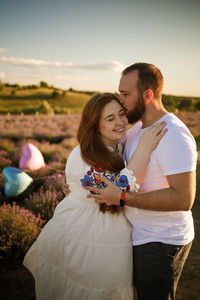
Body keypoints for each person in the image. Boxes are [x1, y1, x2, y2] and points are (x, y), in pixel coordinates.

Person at [23, 92, 166, 300]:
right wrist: (144, 149)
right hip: (85, 236)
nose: (120, 122)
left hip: (111, 234)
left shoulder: (116, 145)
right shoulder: (81, 157)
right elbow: (119, 189)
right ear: (94, 125)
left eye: (121, 114)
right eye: (110, 118)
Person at [87, 63, 198, 300]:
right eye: (119, 93)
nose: (119, 100)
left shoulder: (174, 135)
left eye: (125, 94)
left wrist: (123, 197)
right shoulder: (136, 128)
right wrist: (77, 186)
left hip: (161, 241)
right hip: (138, 236)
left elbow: (183, 198)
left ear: (147, 95)